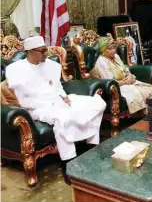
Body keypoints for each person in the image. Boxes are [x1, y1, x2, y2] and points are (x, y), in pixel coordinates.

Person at [5, 36, 106, 184]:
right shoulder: (16, 69)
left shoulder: (50, 65)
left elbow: (57, 86)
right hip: (37, 108)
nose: (46, 54)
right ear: (30, 51)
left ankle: (90, 147)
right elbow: (24, 97)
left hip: (58, 101)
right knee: (63, 118)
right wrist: (54, 102)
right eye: (42, 51)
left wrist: (64, 96)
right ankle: (68, 163)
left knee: (96, 104)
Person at [90, 37, 152, 114]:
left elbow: (125, 69)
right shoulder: (102, 61)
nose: (113, 51)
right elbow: (110, 82)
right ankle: (146, 116)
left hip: (127, 82)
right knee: (139, 93)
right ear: (103, 50)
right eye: (109, 49)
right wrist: (126, 82)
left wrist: (130, 76)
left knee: (151, 89)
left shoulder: (116, 56)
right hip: (117, 87)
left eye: (114, 48)